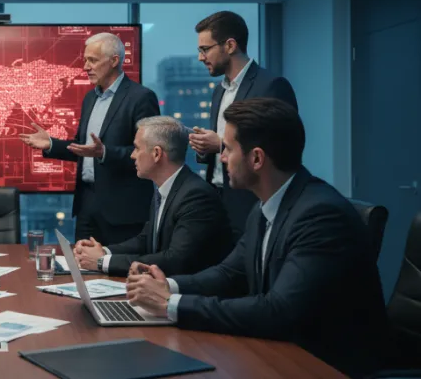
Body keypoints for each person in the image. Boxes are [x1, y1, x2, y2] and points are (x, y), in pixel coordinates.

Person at [126, 98, 386, 377]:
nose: (222, 157)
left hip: (324, 365)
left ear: (257, 158)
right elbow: (229, 273)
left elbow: (278, 310)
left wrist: (170, 305)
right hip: (281, 351)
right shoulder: (265, 206)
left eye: (227, 148)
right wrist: (170, 286)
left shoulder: (319, 216)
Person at [20, 32, 160, 245]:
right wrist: (51, 144)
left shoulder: (141, 97)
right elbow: (84, 148)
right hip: (87, 205)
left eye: (92, 60)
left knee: (118, 273)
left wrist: (104, 153)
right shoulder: (90, 98)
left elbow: (149, 152)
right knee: (83, 267)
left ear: (114, 61)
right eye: (85, 60)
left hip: (123, 210)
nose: (85, 67)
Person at [72, 116, 231, 276]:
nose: (133, 155)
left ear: (156, 153)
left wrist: (102, 262)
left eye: (137, 148)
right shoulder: (165, 188)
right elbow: (146, 240)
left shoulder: (196, 196)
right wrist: (104, 251)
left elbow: (175, 260)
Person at [187, 11, 297, 241]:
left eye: (205, 49)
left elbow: (281, 149)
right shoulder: (219, 91)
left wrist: (220, 145)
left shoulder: (271, 86)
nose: (200, 57)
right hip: (218, 201)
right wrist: (204, 148)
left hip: (251, 203)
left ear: (229, 45)